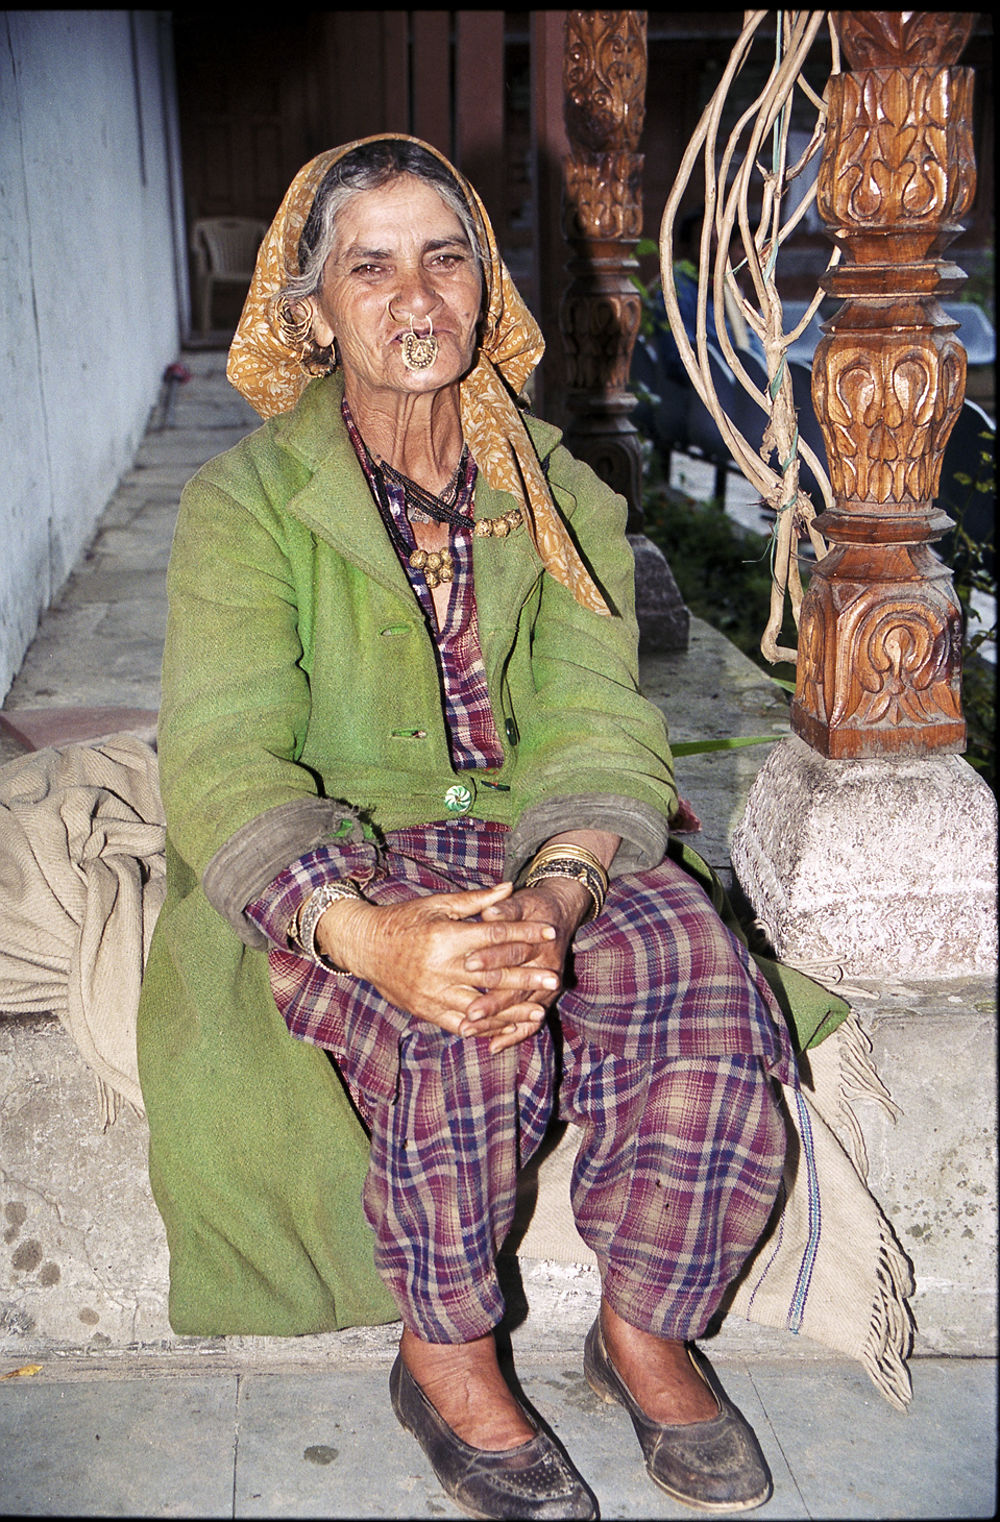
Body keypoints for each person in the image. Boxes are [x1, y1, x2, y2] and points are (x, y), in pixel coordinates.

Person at [137, 134, 806, 1520]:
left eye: (445, 256)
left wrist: (562, 893)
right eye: (367, 266)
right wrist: (365, 933)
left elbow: (596, 718)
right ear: (312, 309)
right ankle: (442, 1350)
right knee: (466, 1010)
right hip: (354, 855)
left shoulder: (560, 489)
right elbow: (222, 759)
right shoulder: (244, 506)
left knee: (694, 974)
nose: (413, 295)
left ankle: (645, 1329)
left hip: (531, 837)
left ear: (485, 289)